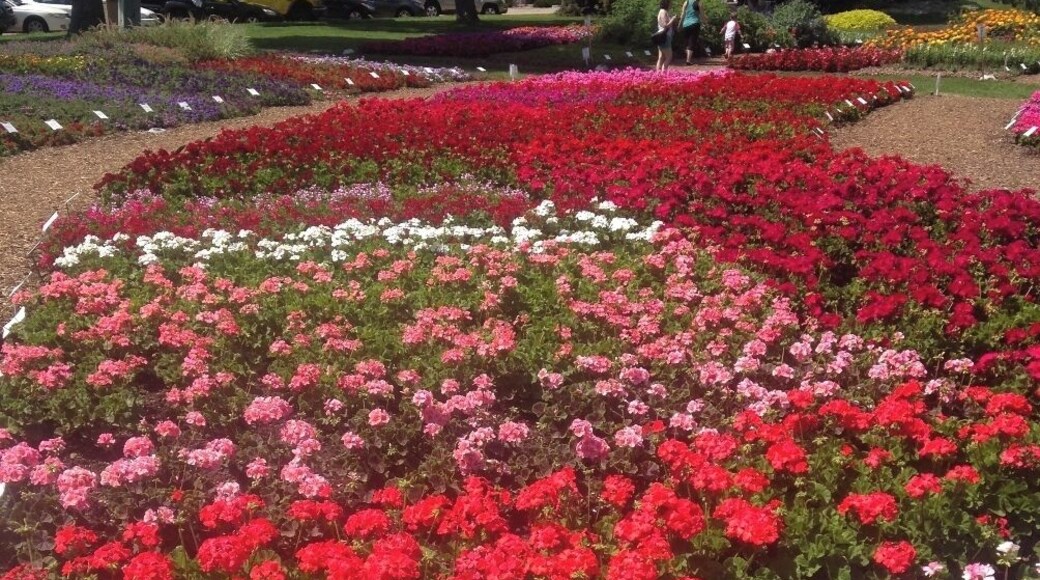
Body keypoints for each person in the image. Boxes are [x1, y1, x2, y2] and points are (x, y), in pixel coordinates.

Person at [655, 0, 678, 72]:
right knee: (669, 57)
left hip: (662, 36)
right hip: (665, 36)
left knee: (661, 57)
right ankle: (663, 73)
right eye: (670, 3)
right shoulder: (663, 12)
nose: (671, 4)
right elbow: (666, 25)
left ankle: (658, 73)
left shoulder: (662, 11)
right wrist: (673, 19)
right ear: (666, 3)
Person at [678, 0, 702, 65]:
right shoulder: (698, 3)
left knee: (686, 42)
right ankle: (688, 60)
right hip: (695, 23)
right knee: (692, 41)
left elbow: (682, 14)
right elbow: (702, 14)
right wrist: (706, 21)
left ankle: (687, 58)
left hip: (686, 24)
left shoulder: (686, 2)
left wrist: (679, 24)